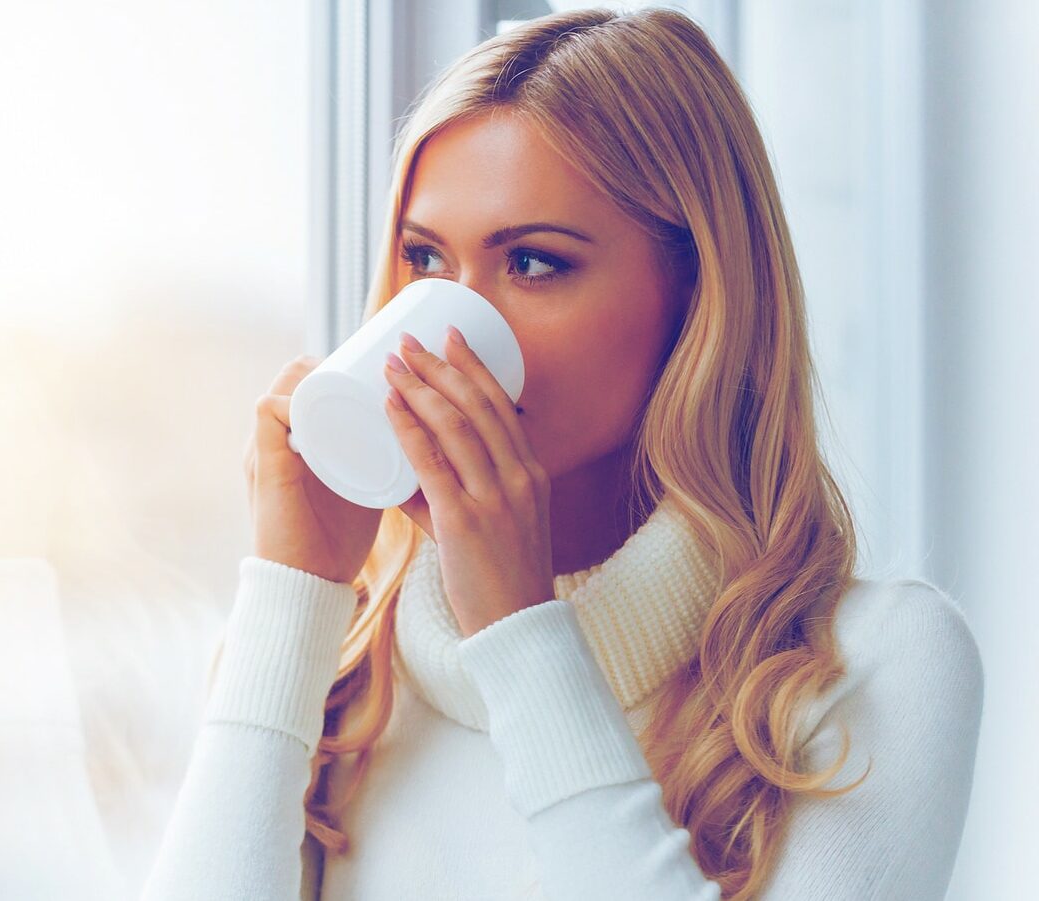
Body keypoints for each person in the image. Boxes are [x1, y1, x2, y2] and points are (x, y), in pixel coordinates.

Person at [139, 7, 983, 900]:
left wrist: (520, 627)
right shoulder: (339, 656)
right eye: (425, 260)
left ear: (698, 299)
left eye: (534, 263)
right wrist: (291, 593)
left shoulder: (876, 662)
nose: (444, 340)